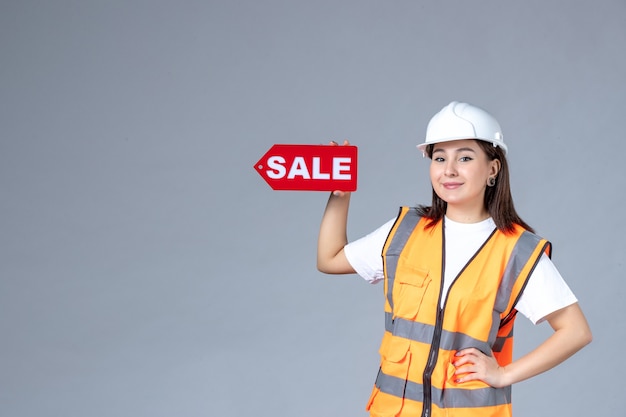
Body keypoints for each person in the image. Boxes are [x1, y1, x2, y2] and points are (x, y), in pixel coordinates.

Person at [316, 101, 592, 417]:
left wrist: (503, 374)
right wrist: (340, 195)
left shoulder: (516, 250)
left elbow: (576, 331)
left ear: (493, 168)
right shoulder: (405, 231)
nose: (449, 169)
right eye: (439, 157)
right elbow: (330, 259)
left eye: (464, 157)